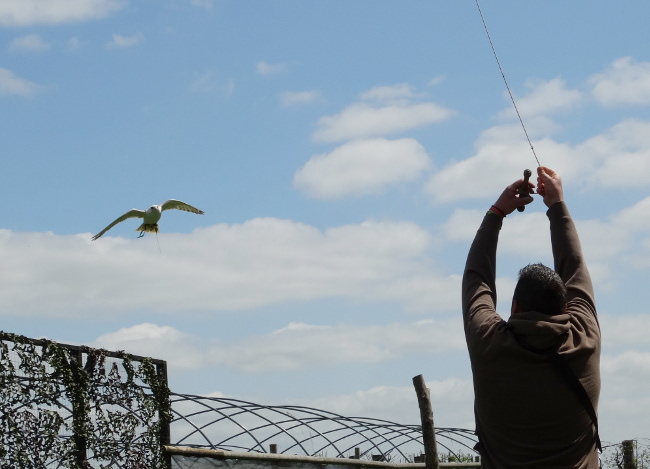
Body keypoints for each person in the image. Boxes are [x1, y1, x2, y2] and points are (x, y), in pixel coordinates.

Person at [462, 166, 601, 468]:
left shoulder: (489, 344)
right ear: (566, 310)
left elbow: (477, 280)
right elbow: (574, 267)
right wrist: (557, 206)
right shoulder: (584, 340)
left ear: (514, 307)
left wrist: (497, 212)